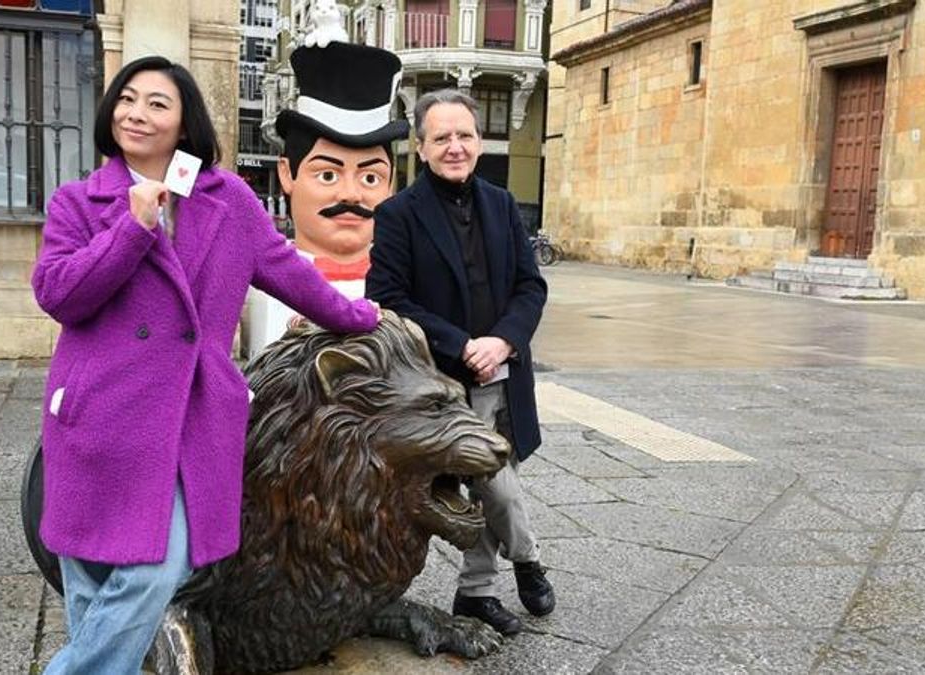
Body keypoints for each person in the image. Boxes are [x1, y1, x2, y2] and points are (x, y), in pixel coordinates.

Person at [32, 55, 378, 673]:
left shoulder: (228, 201)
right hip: (99, 413)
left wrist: (357, 316)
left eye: (157, 103)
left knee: (156, 568)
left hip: (187, 417)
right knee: (91, 576)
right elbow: (59, 295)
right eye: (127, 99)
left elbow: (287, 269)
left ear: (185, 122)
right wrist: (131, 228)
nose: (136, 113)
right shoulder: (78, 202)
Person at [366, 89, 555, 636]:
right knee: (491, 478)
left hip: (504, 371)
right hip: (440, 381)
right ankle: (528, 558)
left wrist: (503, 341)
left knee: (499, 477)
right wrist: (461, 343)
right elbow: (388, 296)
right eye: (442, 137)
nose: (455, 146)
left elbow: (530, 286)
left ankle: (475, 593)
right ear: (421, 147)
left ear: (479, 140)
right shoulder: (398, 214)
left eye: (464, 135)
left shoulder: (502, 203)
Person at [248, 37, 407, 349]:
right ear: (287, 174)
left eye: (370, 178)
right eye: (328, 175)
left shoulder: (407, 283)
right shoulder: (261, 280)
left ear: (390, 185)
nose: (350, 195)